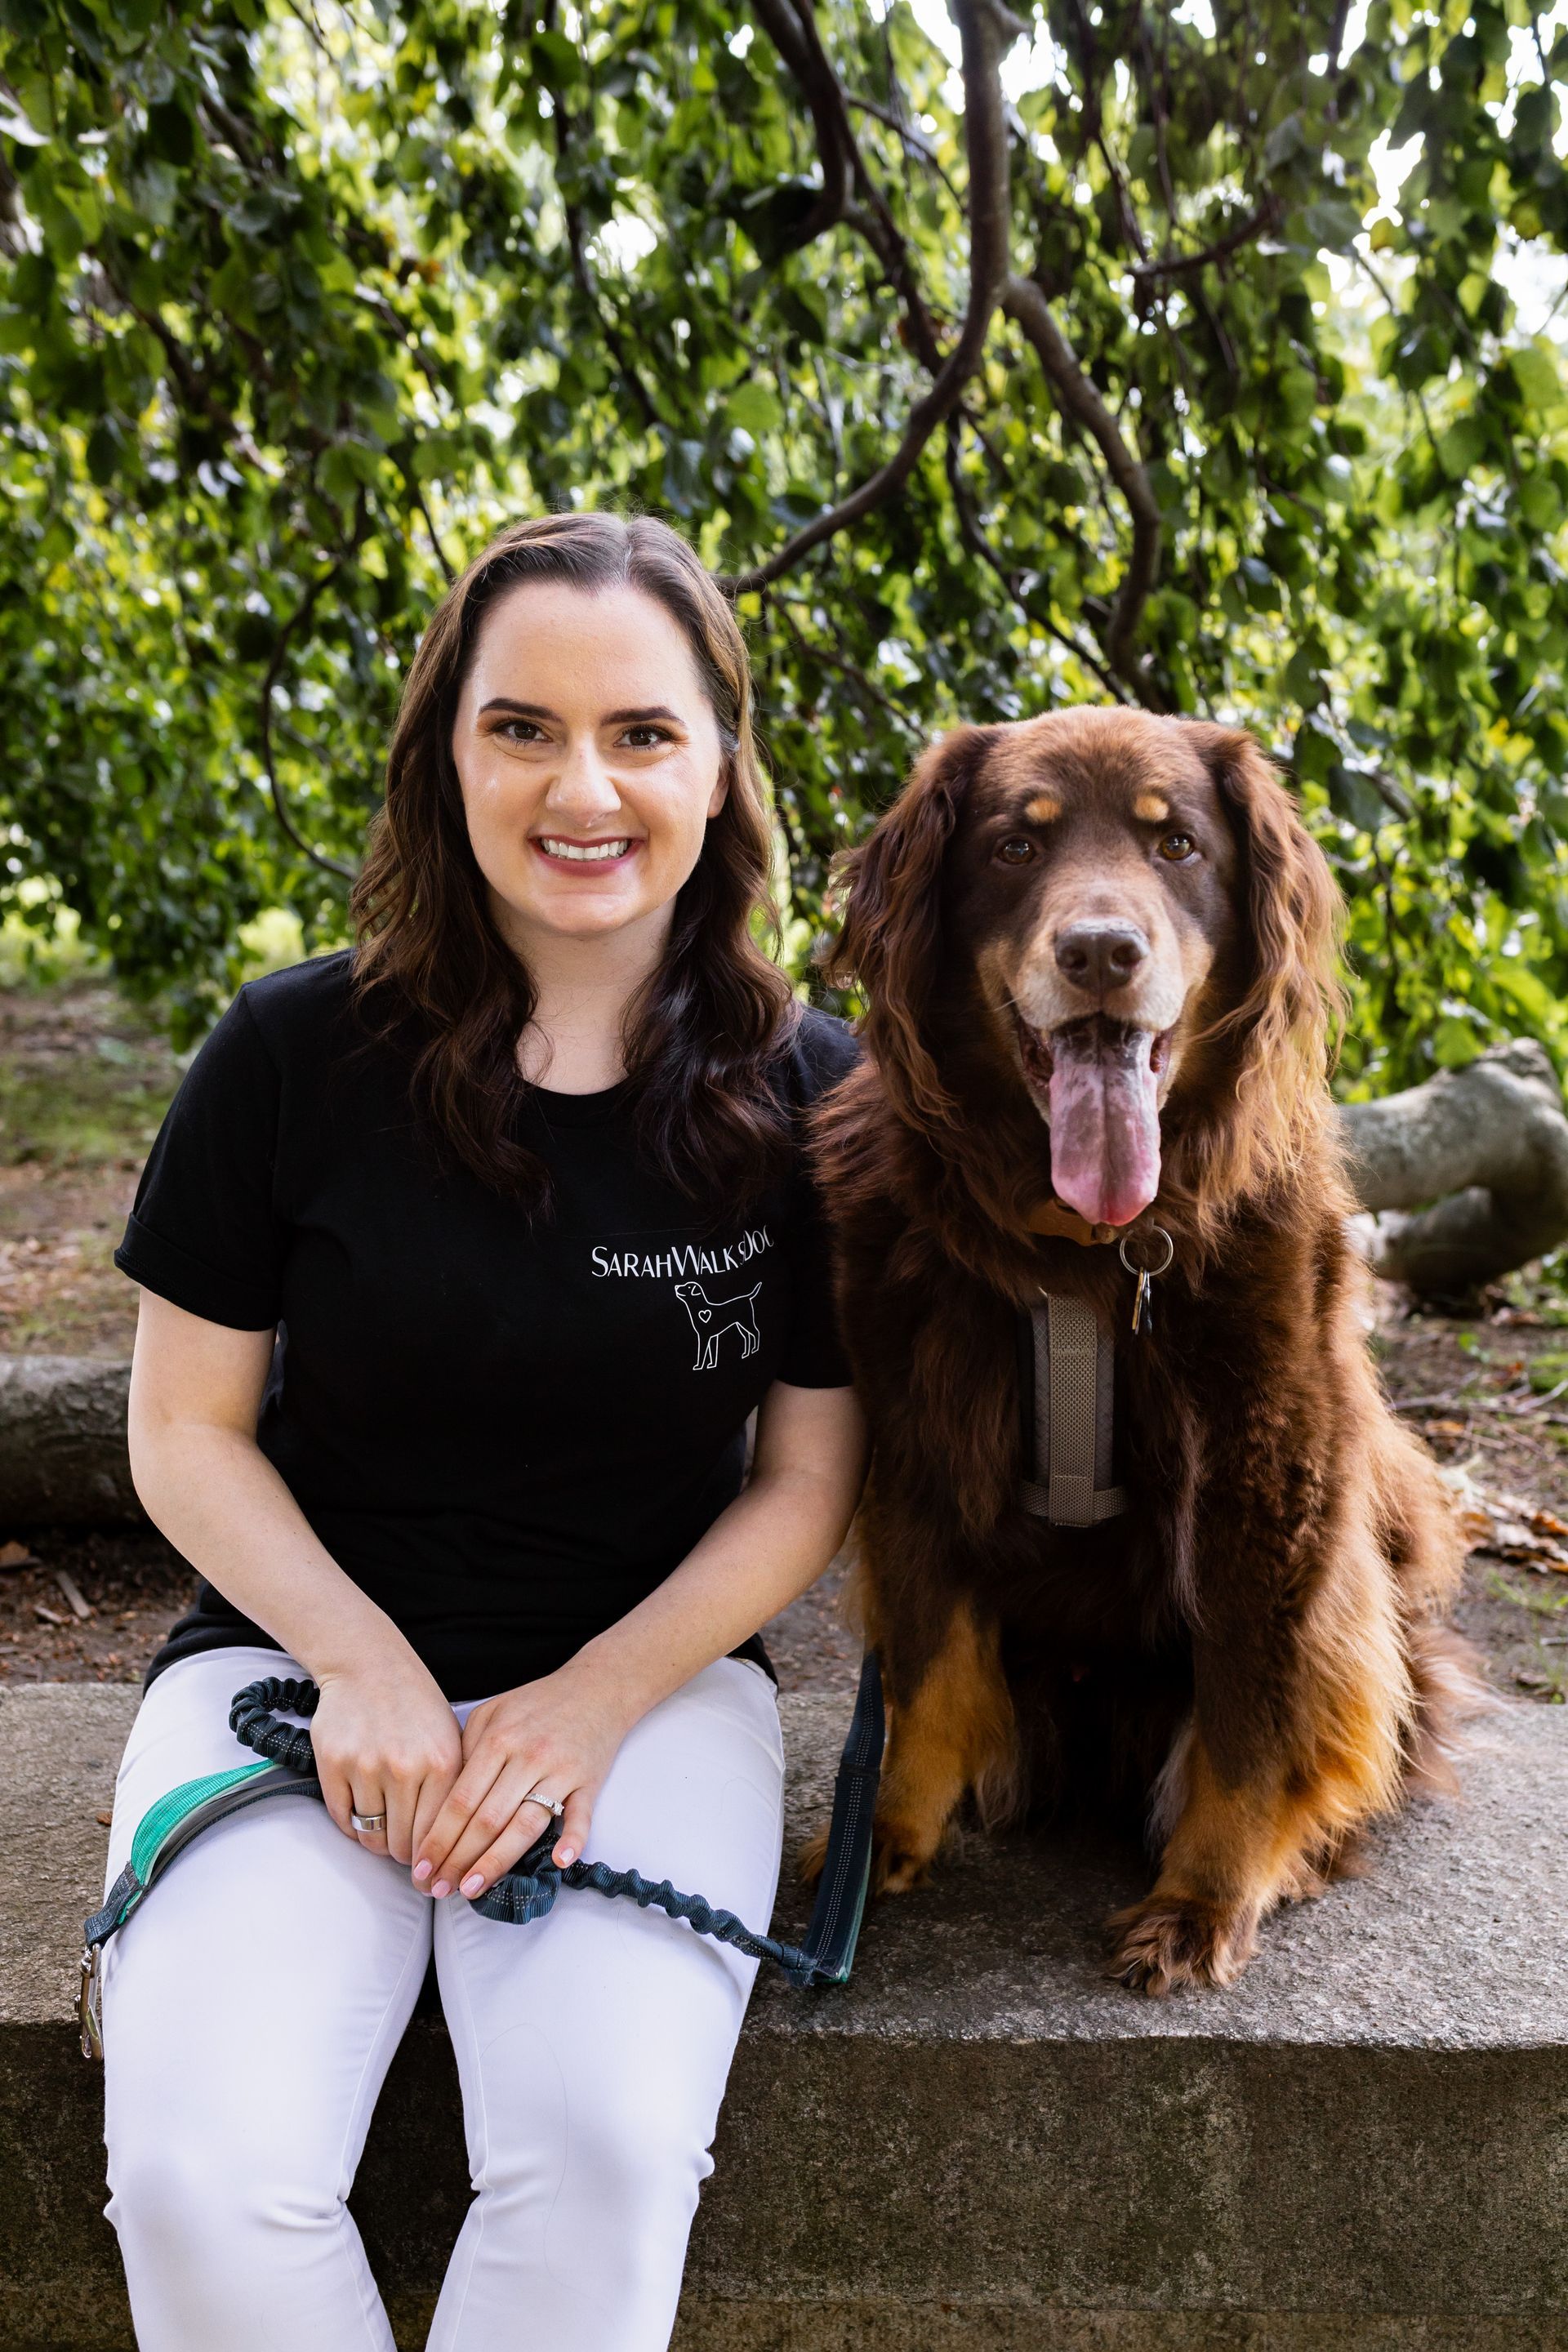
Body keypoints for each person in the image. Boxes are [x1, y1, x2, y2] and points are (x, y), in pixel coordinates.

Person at [98, 511, 866, 2352]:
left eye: (642, 733)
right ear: (448, 753)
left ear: (720, 767)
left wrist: (591, 1702)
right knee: (204, 2176)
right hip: (290, 1670)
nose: (580, 786)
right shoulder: (287, 1056)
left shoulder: (813, 1093)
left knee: (604, 2154)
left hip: (653, 1693)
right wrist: (359, 1662)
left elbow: (808, 1482)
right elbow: (186, 1432)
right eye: (520, 727)